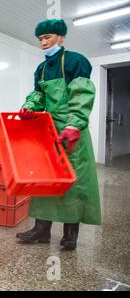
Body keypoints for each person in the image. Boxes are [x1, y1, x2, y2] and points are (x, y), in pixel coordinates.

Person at [16, 19, 101, 250]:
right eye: (40, 39)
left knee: (73, 181)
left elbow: (81, 95)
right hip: (50, 132)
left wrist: (74, 125)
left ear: (61, 38)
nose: (43, 42)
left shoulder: (75, 61)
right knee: (46, 180)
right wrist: (29, 106)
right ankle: (41, 231)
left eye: (48, 37)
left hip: (73, 132)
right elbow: (39, 95)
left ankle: (70, 235)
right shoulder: (41, 69)